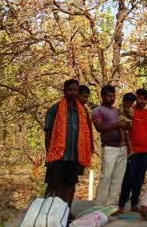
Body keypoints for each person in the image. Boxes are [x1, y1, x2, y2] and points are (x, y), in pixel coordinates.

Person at [43, 79, 92, 213]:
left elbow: (86, 132)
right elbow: (48, 133)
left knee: (70, 186)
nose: (73, 92)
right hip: (58, 155)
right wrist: (49, 155)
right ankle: (51, 213)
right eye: (70, 89)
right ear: (64, 91)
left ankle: (66, 212)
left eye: (75, 90)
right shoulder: (55, 108)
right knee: (56, 185)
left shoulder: (81, 111)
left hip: (74, 156)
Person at [92, 85, 129, 206]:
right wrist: (118, 124)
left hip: (122, 148)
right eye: (109, 96)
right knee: (106, 176)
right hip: (109, 147)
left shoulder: (116, 110)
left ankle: (111, 205)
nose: (112, 98)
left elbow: (125, 126)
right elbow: (99, 127)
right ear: (102, 96)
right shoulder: (98, 110)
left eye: (113, 96)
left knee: (117, 177)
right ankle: (99, 204)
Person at [118, 88, 147, 213]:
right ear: (136, 98)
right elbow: (124, 127)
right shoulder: (130, 111)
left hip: (144, 152)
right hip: (132, 151)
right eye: (140, 98)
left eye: (144, 99)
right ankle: (121, 205)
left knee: (139, 178)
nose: (142, 101)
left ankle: (134, 204)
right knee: (128, 178)